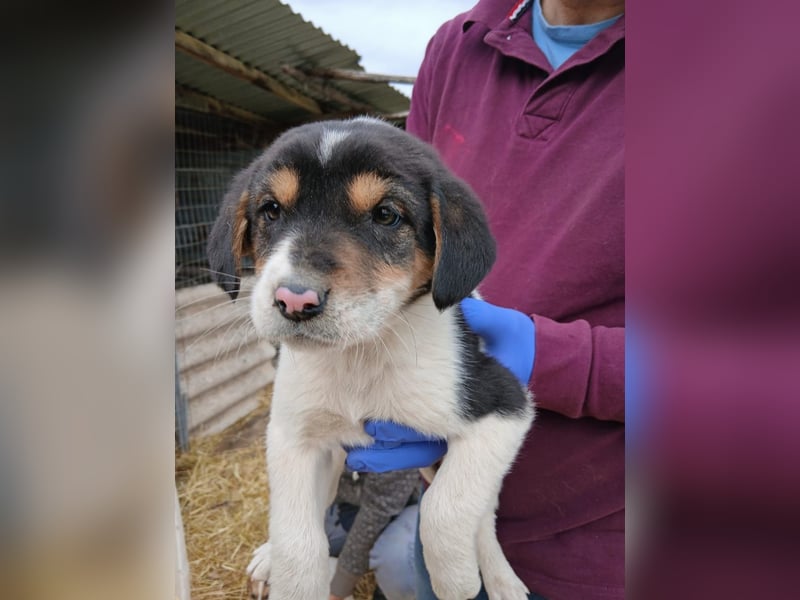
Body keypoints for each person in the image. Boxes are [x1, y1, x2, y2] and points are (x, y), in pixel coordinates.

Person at [345, 1, 625, 598]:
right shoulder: (461, 44)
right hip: (447, 513)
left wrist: (557, 360)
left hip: (606, 554)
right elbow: (403, 237)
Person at [325, 469, 421, 600]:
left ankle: (387, 592)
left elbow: (377, 508)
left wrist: (339, 588)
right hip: (342, 500)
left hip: (402, 501)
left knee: (400, 563)